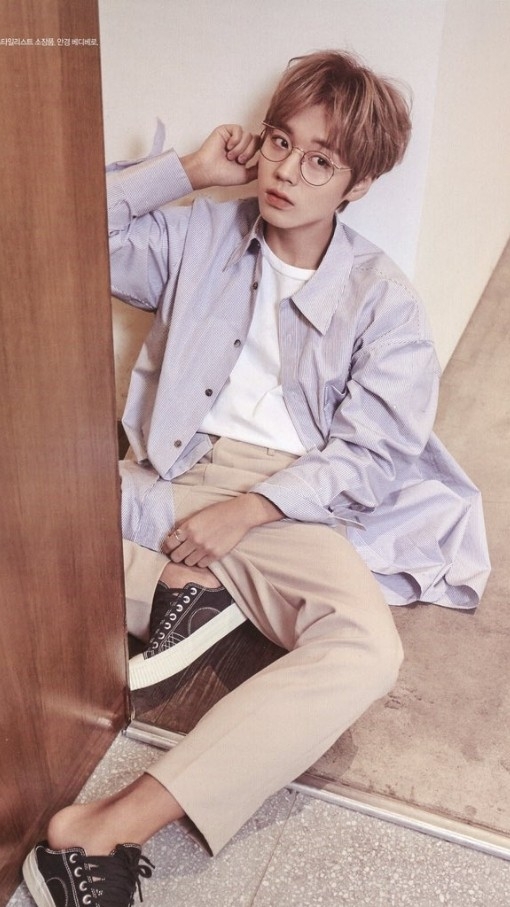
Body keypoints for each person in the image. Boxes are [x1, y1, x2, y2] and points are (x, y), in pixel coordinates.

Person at [22, 50, 490, 906]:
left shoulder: (382, 298)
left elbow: (375, 452)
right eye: (280, 142)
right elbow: (59, 225)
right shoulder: (200, 233)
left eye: (320, 161)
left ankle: (110, 824)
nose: (286, 172)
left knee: (366, 646)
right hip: (172, 469)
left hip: (291, 499)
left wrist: (250, 509)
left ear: (357, 185)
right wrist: (189, 170)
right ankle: (191, 587)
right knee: (29, 522)